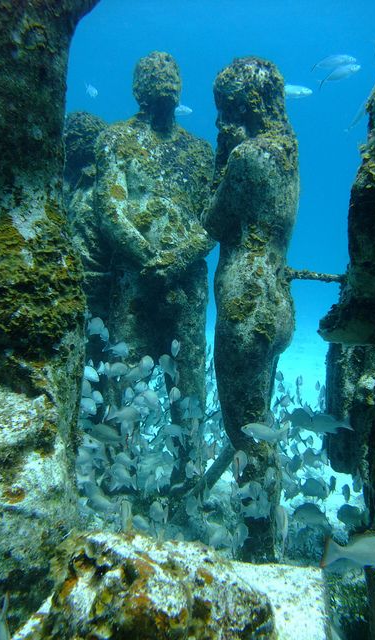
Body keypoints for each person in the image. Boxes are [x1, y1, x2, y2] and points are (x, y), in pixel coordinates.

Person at [94, 51, 214, 483]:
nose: (163, 77)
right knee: (122, 377)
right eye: (152, 71)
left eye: (171, 71)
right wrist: (151, 258)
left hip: (185, 281)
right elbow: (109, 208)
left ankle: (187, 478)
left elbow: (213, 221)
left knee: (190, 381)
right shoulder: (115, 139)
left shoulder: (201, 154)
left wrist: (176, 259)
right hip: (135, 276)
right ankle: (118, 477)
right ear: (136, 86)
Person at [203, 57, 299, 561]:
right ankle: (269, 534)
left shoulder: (248, 159)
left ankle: (257, 547)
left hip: (244, 302)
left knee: (244, 430)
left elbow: (213, 221)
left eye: (230, 111)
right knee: (261, 424)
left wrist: (222, 159)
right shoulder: (289, 153)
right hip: (278, 299)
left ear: (253, 106)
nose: (222, 124)